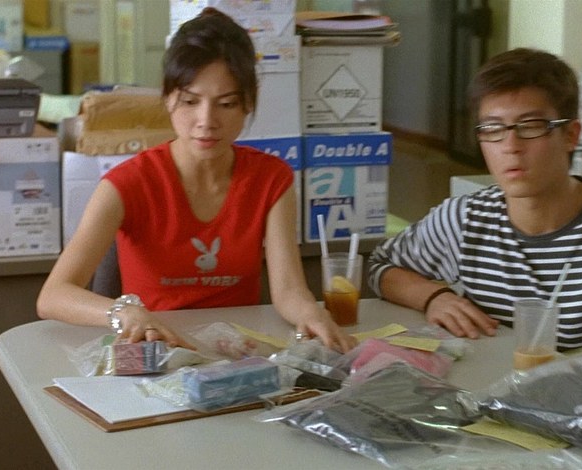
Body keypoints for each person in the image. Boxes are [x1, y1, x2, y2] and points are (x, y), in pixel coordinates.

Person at [36, 8, 356, 352]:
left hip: (238, 354)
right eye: (190, 101)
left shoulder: (271, 179)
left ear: (249, 103)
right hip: (158, 351)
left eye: (226, 104)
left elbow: (289, 290)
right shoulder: (126, 184)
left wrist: (312, 313)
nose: (206, 121)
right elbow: (53, 296)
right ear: (167, 98)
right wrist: (124, 313)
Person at [367, 48, 582, 349]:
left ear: (570, 135)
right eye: (493, 129)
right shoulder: (467, 219)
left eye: (530, 126)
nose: (510, 146)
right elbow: (381, 266)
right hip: (490, 383)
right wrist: (435, 297)